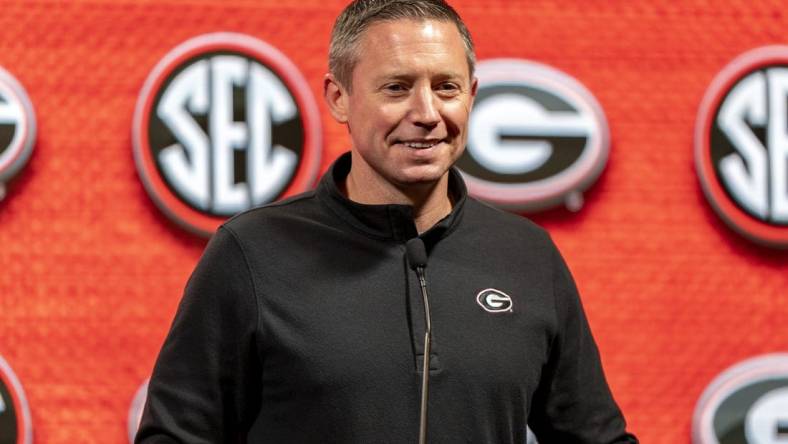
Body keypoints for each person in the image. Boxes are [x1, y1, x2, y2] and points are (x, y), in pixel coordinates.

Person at [136, 1, 639, 443]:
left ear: (472, 95)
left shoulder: (527, 255)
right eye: (397, 88)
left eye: (447, 87)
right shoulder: (251, 253)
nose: (426, 112)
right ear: (339, 98)